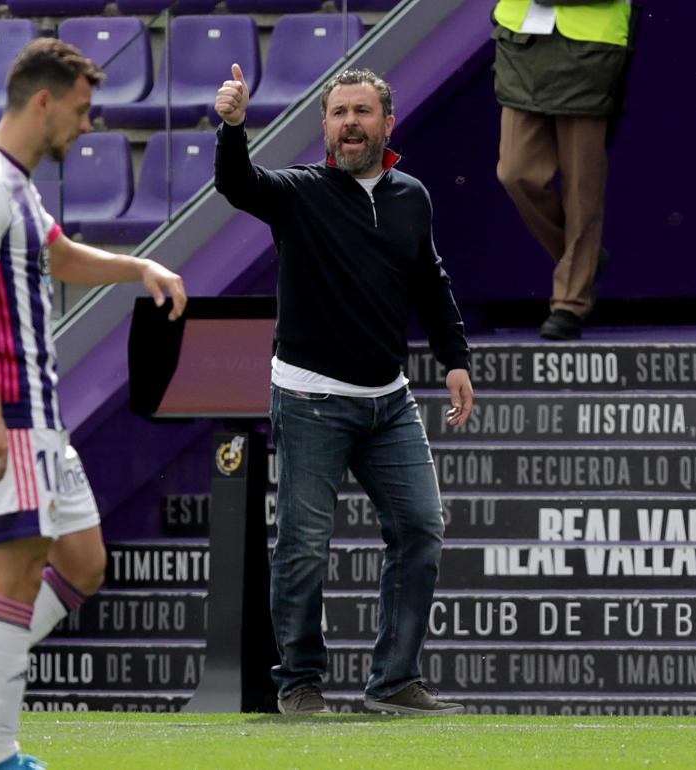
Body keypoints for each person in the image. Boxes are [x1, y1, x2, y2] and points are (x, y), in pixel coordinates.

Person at [0, 38, 186, 770]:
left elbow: (58, 256)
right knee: (17, 578)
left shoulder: (17, 184)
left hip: (39, 415)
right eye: (82, 110)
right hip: (10, 410)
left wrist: (139, 265)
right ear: (44, 100)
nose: (87, 126)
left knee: (84, 561)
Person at [214, 65, 475, 715]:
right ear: (324, 127)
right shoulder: (299, 192)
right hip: (309, 400)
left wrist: (455, 358)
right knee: (303, 546)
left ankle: (394, 682)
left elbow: (431, 282)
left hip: (390, 401)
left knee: (421, 529)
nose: (350, 123)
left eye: (362, 111)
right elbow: (236, 182)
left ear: (388, 121)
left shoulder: (412, 195)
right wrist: (233, 127)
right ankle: (299, 683)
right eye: (338, 113)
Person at [492, 0, 633, 340]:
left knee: (581, 186)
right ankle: (583, 262)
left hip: (591, 45)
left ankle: (571, 301)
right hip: (522, 40)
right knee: (514, 172)